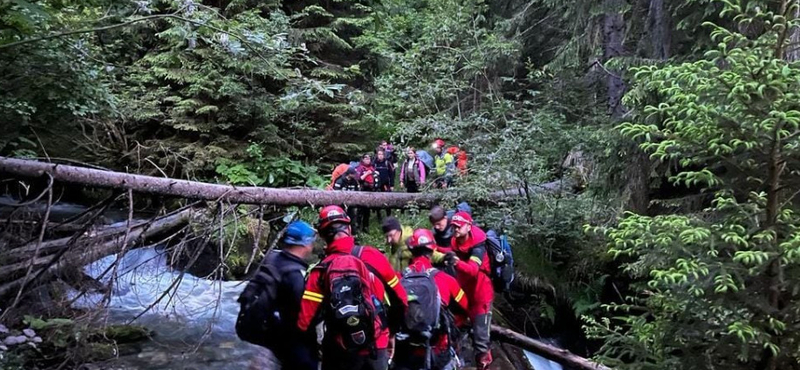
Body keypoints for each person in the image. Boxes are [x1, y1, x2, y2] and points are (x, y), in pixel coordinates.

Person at [298, 206, 409, 370]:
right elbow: (401, 300)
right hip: (376, 346)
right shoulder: (374, 256)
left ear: (322, 236)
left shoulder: (320, 271)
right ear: (349, 229)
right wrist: (390, 332)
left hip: (340, 350)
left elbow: (304, 322)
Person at [394, 229, 470, 370]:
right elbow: (466, 307)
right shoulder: (446, 279)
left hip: (405, 351)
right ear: (433, 250)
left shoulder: (398, 278)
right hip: (436, 351)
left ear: (411, 251)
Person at [435, 211, 494, 370]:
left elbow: (473, 270)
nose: (455, 229)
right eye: (453, 226)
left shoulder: (478, 247)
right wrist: (433, 247)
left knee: (481, 342)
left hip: (480, 296)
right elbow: (451, 252)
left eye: (459, 226)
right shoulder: (455, 241)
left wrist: (456, 262)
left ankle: (483, 364)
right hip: (462, 293)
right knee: (452, 328)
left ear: (469, 226)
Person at [264, 220, 319, 370]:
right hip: (295, 342)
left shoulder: (272, 259)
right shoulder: (295, 275)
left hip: (274, 334)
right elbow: (304, 314)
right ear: (305, 244)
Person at [356, 154, 377, 232]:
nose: (368, 160)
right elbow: (358, 178)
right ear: (363, 159)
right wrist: (367, 173)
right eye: (366, 159)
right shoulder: (360, 168)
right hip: (362, 190)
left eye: (369, 159)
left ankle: (365, 227)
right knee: (360, 210)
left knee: (367, 211)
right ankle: (358, 227)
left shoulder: (372, 168)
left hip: (370, 191)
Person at [374, 149, 395, 219]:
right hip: (377, 185)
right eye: (379, 154)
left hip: (386, 184)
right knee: (377, 200)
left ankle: (388, 216)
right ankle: (378, 215)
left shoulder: (387, 163)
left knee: (387, 200)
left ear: (384, 155)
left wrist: (392, 185)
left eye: (381, 154)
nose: (380, 156)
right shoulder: (374, 163)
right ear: (377, 155)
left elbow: (392, 174)